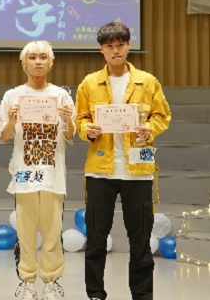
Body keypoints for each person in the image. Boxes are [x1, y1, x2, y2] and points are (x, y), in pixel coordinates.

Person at [74, 22, 171, 300]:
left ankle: (142, 295)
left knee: (140, 240)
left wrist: (149, 129)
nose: (115, 51)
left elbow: (162, 115)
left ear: (128, 46)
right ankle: (95, 294)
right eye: (109, 46)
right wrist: (88, 130)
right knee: (96, 239)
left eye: (120, 45)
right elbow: (80, 119)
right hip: (100, 171)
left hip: (138, 171)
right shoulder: (89, 83)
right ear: (101, 50)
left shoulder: (147, 81)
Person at [0, 41, 74, 300]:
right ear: (23, 63)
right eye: (32, 57)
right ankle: (28, 281)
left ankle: (51, 282)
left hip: (53, 173)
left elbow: (71, 136)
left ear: (51, 63)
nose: (38, 62)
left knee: (52, 232)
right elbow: (4, 137)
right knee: (25, 232)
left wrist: (67, 118)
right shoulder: (12, 95)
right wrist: (12, 119)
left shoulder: (61, 96)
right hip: (24, 173)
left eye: (43, 57)